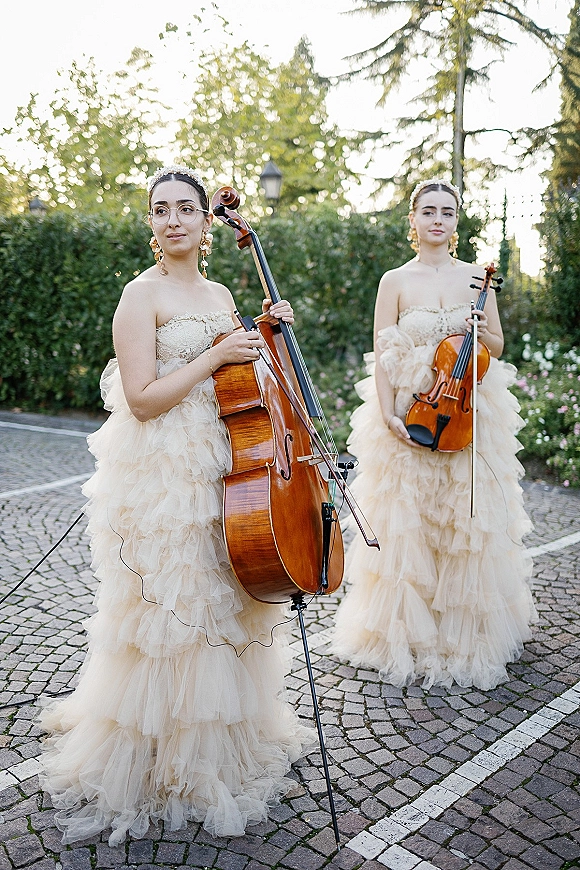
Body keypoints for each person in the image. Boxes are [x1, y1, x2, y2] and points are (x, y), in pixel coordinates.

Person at [39, 166, 314, 847]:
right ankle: (158, 760)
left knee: (223, 599)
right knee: (171, 609)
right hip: (165, 474)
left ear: (204, 221)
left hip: (228, 461)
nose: (174, 220)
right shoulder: (140, 297)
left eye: (186, 209)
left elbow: (238, 371)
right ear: (150, 224)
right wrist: (218, 350)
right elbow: (142, 397)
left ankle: (215, 748)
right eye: (160, 210)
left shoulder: (220, 290)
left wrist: (262, 336)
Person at [332, 178, 536, 691]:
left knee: (466, 521)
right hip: (412, 410)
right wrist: (386, 413)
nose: (438, 220)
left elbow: (497, 345)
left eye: (447, 211)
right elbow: (380, 353)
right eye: (429, 211)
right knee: (409, 523)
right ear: (414, 220)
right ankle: (405, 633)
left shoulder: (476, 279)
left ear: (456, 221)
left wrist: (477, 326)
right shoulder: (395, 281)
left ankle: (460, 633)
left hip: (467, 410)